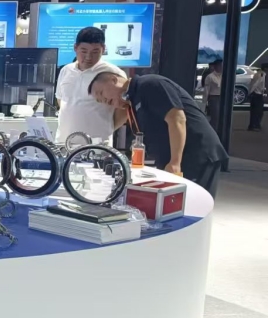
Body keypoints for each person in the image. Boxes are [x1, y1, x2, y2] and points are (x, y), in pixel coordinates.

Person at [89, 71, 228, 197]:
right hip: (173, 160)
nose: (104, 101)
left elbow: (177, 119)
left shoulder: (150, 84)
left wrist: (175, 162)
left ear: (113, 80)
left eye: (101, 93)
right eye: (100, 101)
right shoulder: (133, 101)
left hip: (195, 155)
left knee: (193, 204)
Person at [54, 26, 126, 143]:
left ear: (103, 49)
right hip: (64, 141)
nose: (88, 57)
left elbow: (124, 110)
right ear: (75, 48)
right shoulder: (66, 70)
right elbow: (61, 100)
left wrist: (106, 130)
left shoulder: (113, 73)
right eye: (84, 51)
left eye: (95, 52)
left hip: (97, 144)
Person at [249, 64, 266, 131]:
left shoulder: (259, 73)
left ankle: (253, 125)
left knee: (255, 111)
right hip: (257, 94)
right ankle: (255, 125)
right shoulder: (261, 74)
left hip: (256, 94)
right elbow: (255, 84)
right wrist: (250, 92)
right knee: (258, 112)